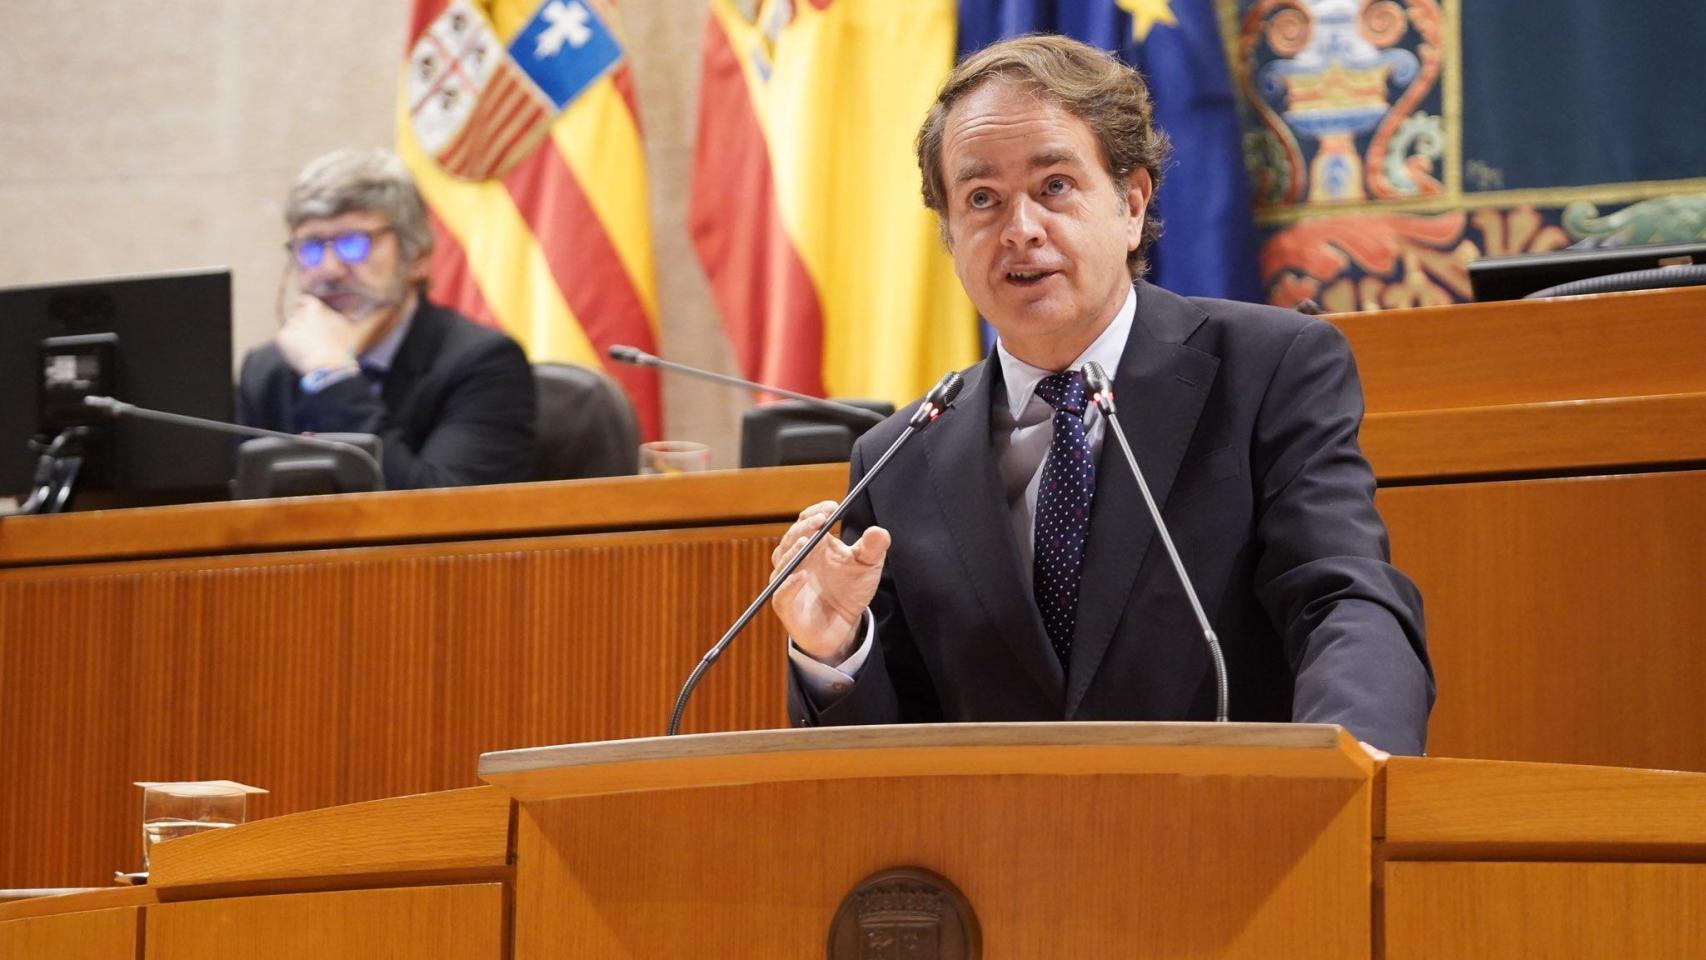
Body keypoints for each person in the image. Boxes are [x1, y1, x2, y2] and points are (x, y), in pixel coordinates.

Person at [770, 35, 1434, 754]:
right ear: (950, 235)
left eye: (1054, 186)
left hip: (1236, 839)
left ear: (1130, 201)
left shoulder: (1270, 370)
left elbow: (1343, 598)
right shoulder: (896, 457)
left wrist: (1354, 774)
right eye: (982, 199)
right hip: (996, 858)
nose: (1020, 230)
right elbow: (892, 752)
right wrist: (837, 655)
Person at [237, 148, 535, 490]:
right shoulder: (266, 371)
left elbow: (443, 515)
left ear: (417, 256)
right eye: (311, 248)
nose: (330, 270)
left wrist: (332, 378)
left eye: (354, 244)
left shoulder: (482, 363)